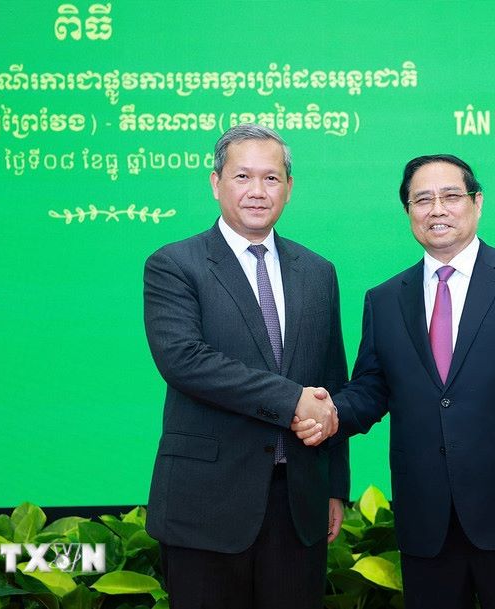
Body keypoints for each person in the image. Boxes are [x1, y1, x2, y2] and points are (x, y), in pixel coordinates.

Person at [296, 154, 495, 609]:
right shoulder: (386, 298)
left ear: (477, 203)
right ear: (408, 212)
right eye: (422, 199)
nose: (437, 209)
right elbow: (372, 388)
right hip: (427, 519)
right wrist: (326, 412)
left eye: (451, 196)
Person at [144, 124, 347, 609]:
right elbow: (184, 360)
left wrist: (333, 487)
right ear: (216, 183)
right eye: (242, 176)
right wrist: (289, 398)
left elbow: (330, 383)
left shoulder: (318, 272)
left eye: (271, 178)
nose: (257, 191)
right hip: (205, 504)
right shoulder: (174, 264)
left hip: (297, 503)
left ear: (289, 187)